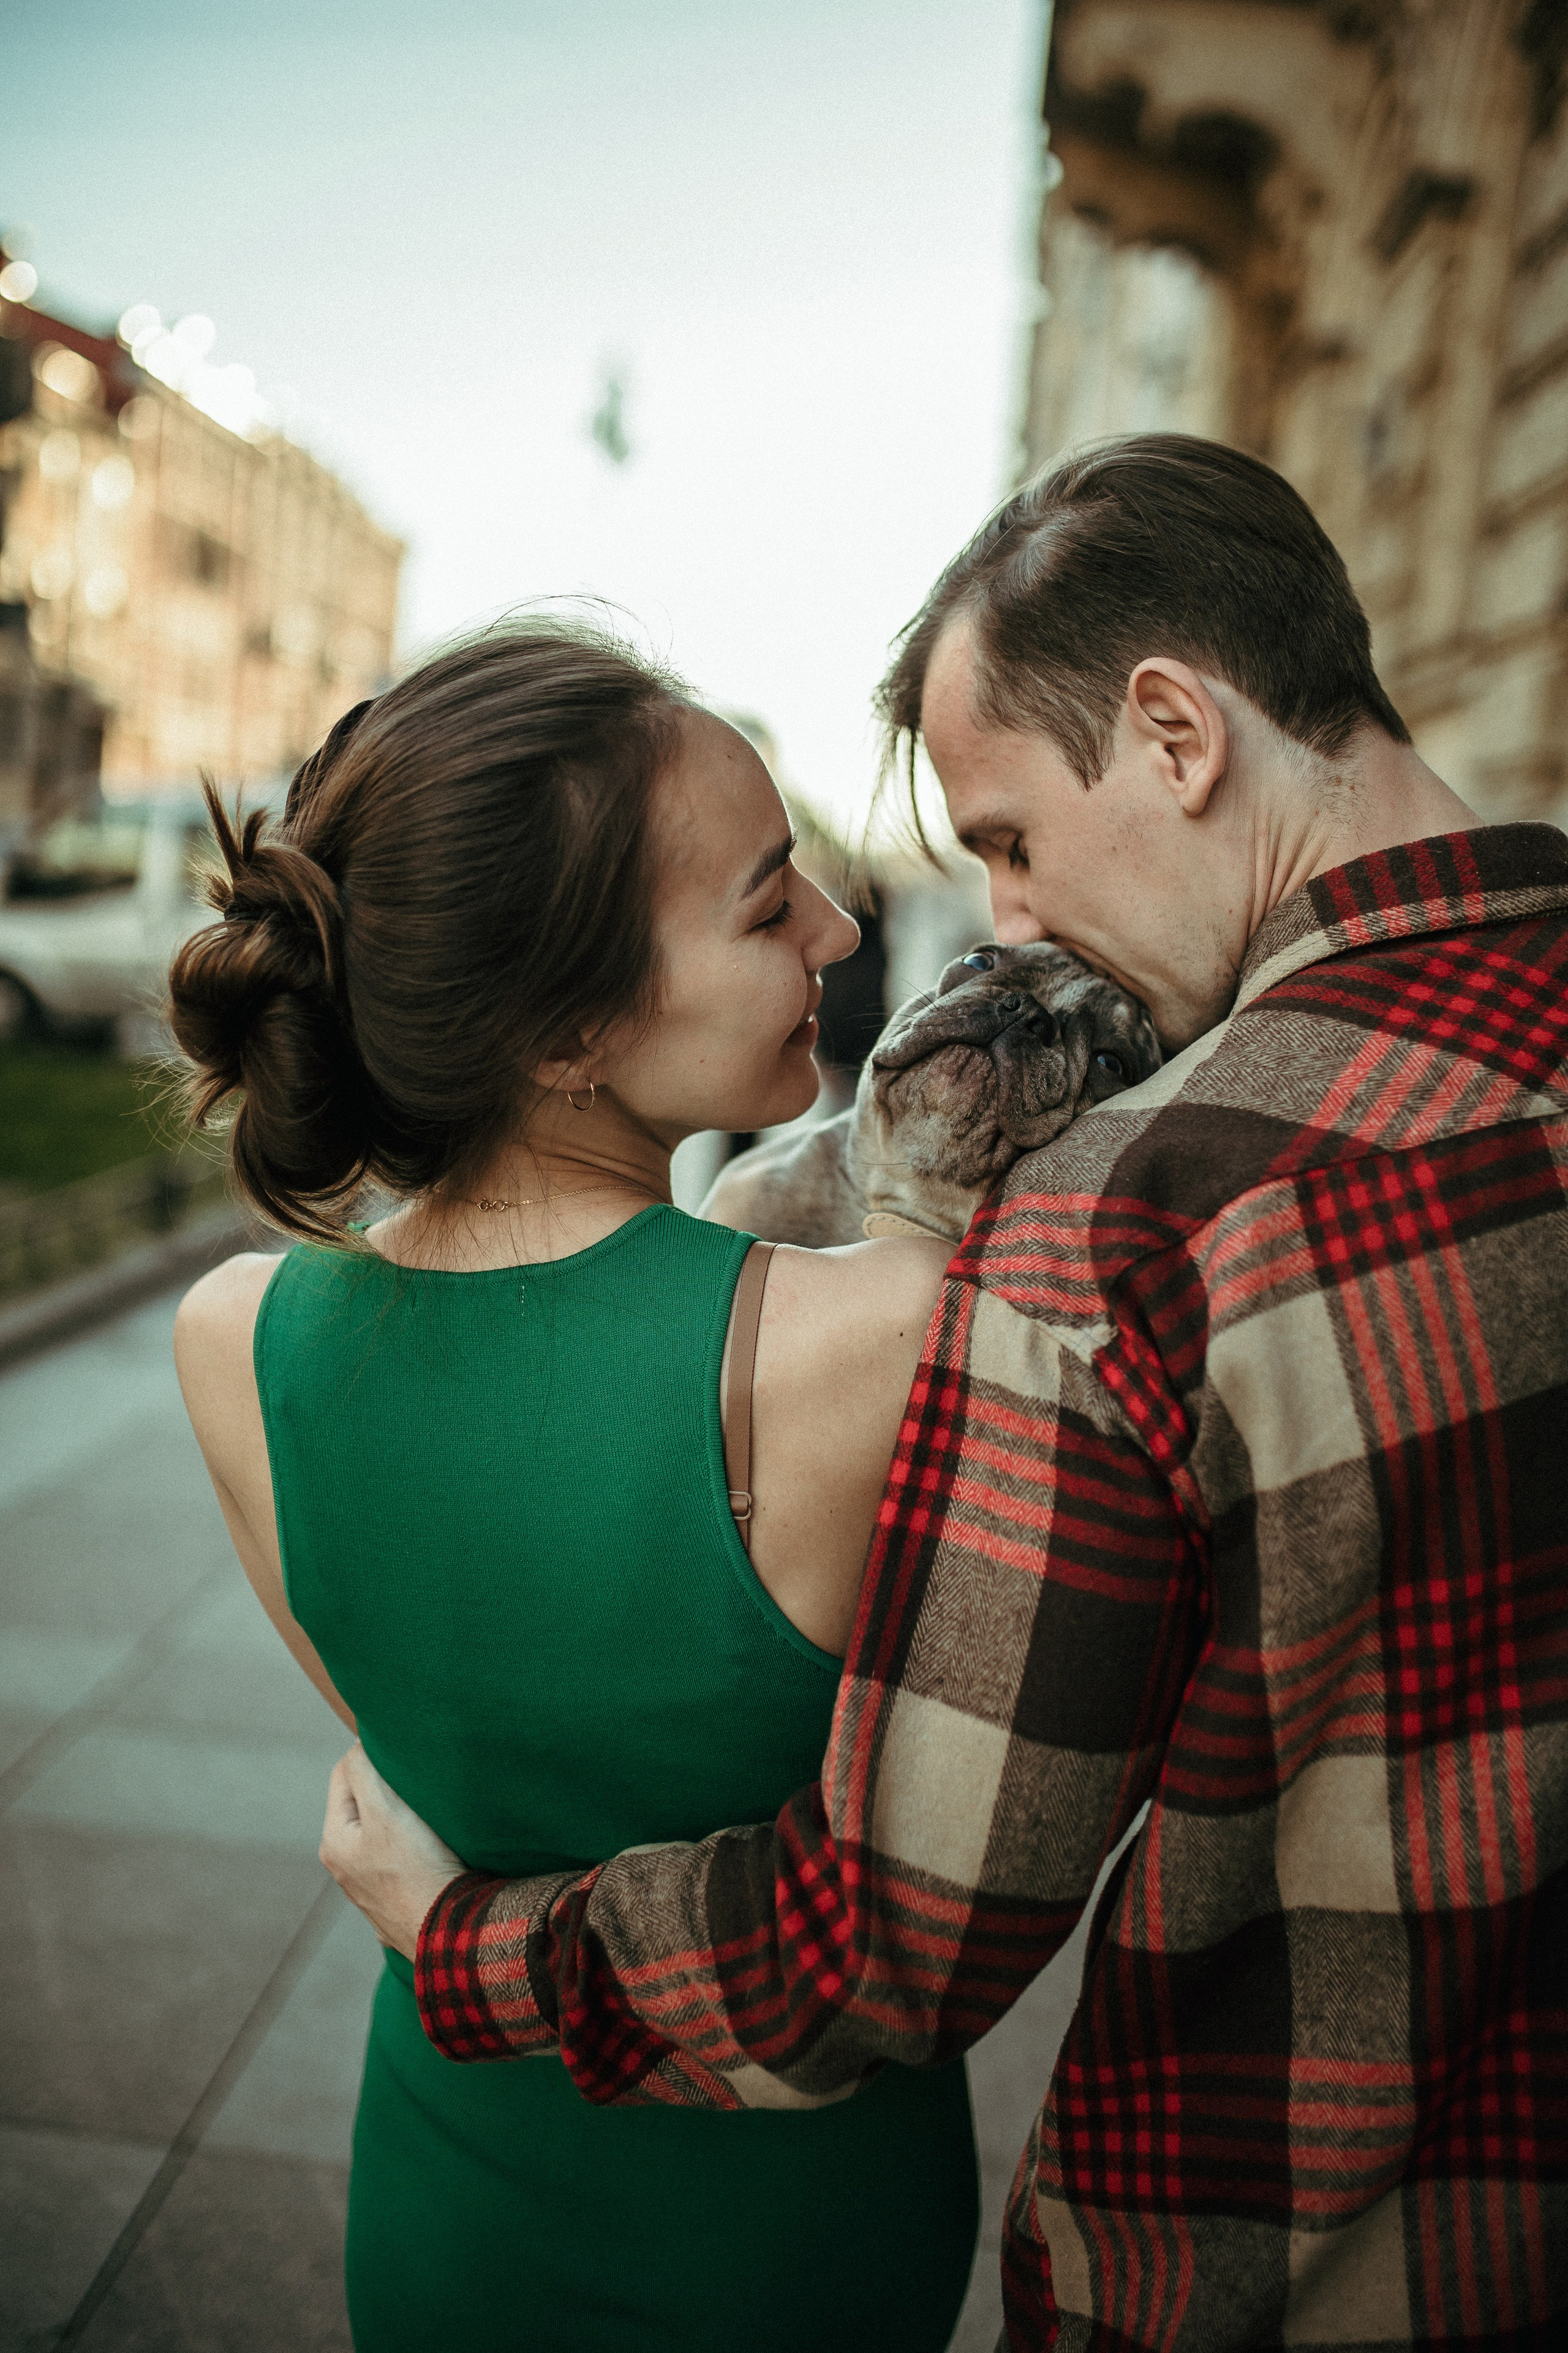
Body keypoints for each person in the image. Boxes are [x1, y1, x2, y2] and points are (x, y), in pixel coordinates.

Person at [323, 437, 1568, 2351]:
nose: (1003, 920)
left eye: (1004, 835)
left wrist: (465, 1941)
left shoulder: (1132, 1232)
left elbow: (876, 1945)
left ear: (1174, 732)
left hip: (1288, 2268)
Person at [168, 628, 981, 2353]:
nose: (842, 936)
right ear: (560, 1031)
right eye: (771, 910)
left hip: (445, 2189)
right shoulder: (879, 1334)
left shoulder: (234, 1340)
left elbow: (438, 1752)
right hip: (789, 2239)